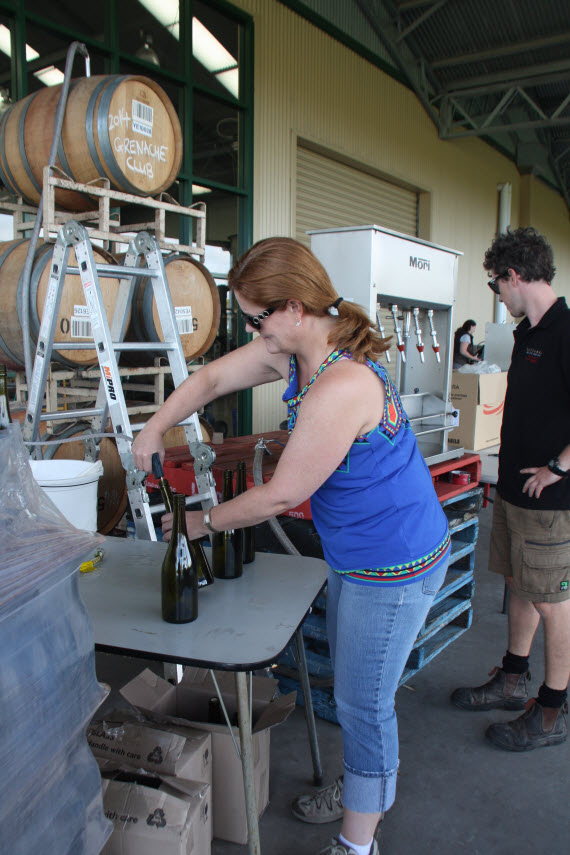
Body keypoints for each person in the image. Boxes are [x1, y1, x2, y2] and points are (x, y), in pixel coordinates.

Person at [132, 237, 451, 855]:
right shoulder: (300, 354)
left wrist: (201, 523)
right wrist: (153, 426)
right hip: (359, 554)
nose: (255, 332)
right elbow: (214, 377)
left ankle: (358, 842)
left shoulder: (343, 385)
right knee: (363, 694)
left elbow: (281, 496)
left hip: (393, 565)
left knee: (363, 705)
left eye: (258, 319)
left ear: (295, 308)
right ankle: (367, 787)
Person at [451, 226, 569, 751]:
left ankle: (551, 708)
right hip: (518, 489)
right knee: (521, 585)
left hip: (552, 499)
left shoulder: (566, 331)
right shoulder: (528, 335)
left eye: (497, 283)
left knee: (555, 602)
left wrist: (559, 470)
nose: (497, 294)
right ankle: (514, 676)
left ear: (515, 276)